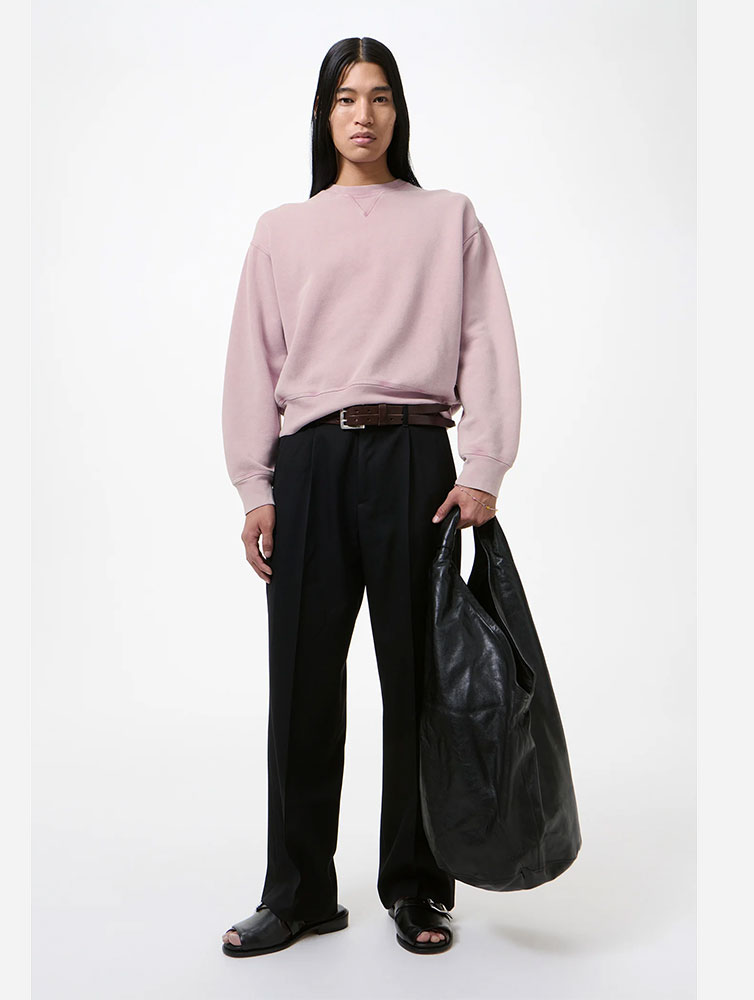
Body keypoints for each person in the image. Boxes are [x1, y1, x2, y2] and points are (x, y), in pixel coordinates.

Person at [220, 36, 522, 957]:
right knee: (301, 685)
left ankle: (418, 887)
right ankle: (298, 893)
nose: (364, 113)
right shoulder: (282, 229)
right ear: (324, 115)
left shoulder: (448, 218)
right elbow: (254, 360)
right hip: (310, 465)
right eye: (346, 98)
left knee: (419, 685)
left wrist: (482, 465)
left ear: (399, 111)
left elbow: (485, 339)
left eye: (380, 96)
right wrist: (255, 484)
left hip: (415, 459)